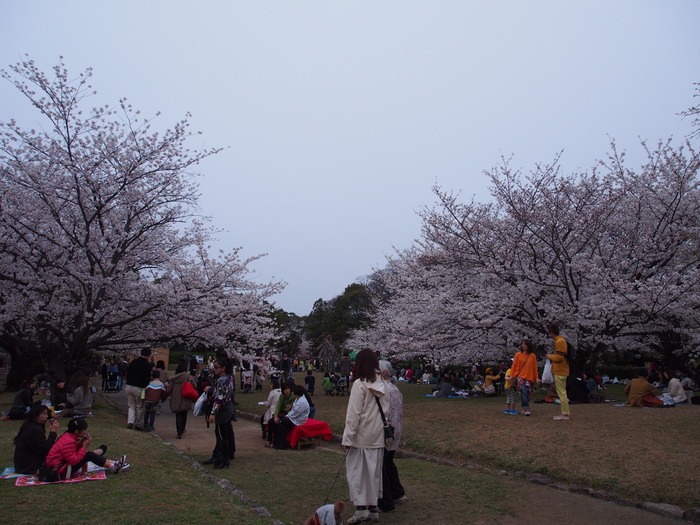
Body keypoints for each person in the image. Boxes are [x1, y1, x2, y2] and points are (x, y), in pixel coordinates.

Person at [342, 348, 388, 524]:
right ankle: (373, 508)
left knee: (357, 473)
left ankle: (361, 509)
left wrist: (347, 438)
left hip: (360, 438)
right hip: (377, 436)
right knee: (374, 474)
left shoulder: (359, 385)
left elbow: (353, 415)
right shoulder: (384, 384)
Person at [45, 418, 128, 479]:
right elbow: (73, 460)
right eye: (84, 430)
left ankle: (112, 465)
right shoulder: (68, 441)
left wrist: (81, 444)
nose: (86, 432)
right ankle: (113, 467)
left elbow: (73, 452)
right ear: (77, 432)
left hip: (58, 468)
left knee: (87, 454)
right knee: (88, 454)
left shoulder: (68, 436)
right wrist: (84, 446)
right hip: (58, 472)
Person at [377, 360, 406, 513]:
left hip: (386, 431)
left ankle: (386, 500)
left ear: (383, 373)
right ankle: (398, 493)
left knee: (381, 466)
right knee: (389, 463)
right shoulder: (395, 388)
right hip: (395, 430)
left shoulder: (383, 388)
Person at [205, 359, 236, 469]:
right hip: (228, 408)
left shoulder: (221, 380)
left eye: (217, 367)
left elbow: (219, 398)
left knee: (221, 434)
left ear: (223, 368)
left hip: (222, 410)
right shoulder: (230, 378)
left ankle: (222, 458)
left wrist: (213, 413)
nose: (215, 369)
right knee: (225, 433)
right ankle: (223, 457)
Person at [13, 404, 60, 474]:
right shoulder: (35, 429)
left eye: (47, 414)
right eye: (44, 414)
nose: (46, 417)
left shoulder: (29, 426)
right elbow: (45, 449)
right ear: (36, 415)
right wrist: (53, 432)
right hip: (29, 467)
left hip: (21, 466)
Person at [272, 384, 310, 449]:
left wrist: (286, 417)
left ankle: (281, 445)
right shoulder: (298, 399)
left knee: (282, 424)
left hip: (298, 420)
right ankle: (277, 443)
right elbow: (293, 411)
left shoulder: (302, 402)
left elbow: (295, 414)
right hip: (294, 417)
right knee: (279, 424)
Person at [546, 323, 571, 420]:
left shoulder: (559, 342)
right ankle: (565, 412)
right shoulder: (560, 341)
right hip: (561, 370)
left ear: (552, 333)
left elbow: (559, 357)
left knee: (561, 393)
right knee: (562, 392)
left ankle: (565, 414)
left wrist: (549, 356)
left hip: (560, 370)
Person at [125, 347, 153, 430]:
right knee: (139, 406)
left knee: (131, 406)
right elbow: (147, 378)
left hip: (129, 386)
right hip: (140, 387)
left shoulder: (133, 362)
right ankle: (138, 423)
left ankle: (130, 422)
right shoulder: (147, 365)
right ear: (149, 355)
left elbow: (127, 373)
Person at [168, 359, 197, 439]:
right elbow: (195, 385)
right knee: (184, 414)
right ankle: (182, 429)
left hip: (176, 398)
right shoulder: (188, 376)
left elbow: (169, 389)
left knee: (178, 415)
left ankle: (179, 433)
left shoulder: (173, 378)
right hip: (186, 397)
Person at [509, 339, 539, 416]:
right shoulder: (518, 355)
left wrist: (536, 378)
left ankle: (524, 406)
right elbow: (514, 366)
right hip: (520, 376)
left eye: (525, 344)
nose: (523, 346)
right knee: (524, 392)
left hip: (529, 377)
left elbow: (534, 368)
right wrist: (512, 375)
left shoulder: (532, 356)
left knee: (528, 393)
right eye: (522, 344)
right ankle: (526, 409)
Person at [266, 382, 295, 447]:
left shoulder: (293, 396)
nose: (287, 391)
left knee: (279, 424)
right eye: (285, 389)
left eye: (288, 389)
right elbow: (278, 406)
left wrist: (279, 416)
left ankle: (277, 442)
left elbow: (288, 408)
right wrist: (276, 416)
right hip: (281, 413)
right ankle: (269, 440)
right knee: (271, 421)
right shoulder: (282, 396)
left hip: (288, 415)